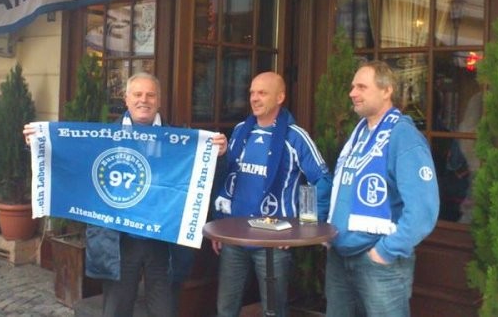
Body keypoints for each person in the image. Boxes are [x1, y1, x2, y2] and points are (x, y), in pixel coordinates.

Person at [24, 72, 227, 317]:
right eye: (138, 94)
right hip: (118, 240)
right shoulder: (102, 138)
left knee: (165, 310)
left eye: (150, 95)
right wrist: (40, 144)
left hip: (163, 241)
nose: (144, 100)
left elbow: (205, 181)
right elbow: (72, 164)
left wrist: (218, 155)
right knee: (116, 310)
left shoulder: (182, 141)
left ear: (159, 100)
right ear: (127, 99)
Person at [212, 71, 332, 317]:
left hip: (275, 240)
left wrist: (303, 225)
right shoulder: (240, 131)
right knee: (225, 309)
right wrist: (219, 223)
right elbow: (228, 179)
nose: (254, 98)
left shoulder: (295, 136)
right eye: (252, 93)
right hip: (234, 236)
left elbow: (322, 180)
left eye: (262, 93)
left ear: (280, 97)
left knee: (274, 311)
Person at [325, 60, 439, 317]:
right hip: (340, 258)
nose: (352, 93)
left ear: (387, 90)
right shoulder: (360, 134)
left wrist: (385, 252)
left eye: (361, 87)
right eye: (353, 87)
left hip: (378, 264)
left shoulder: (403, 136)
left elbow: (423, 211)